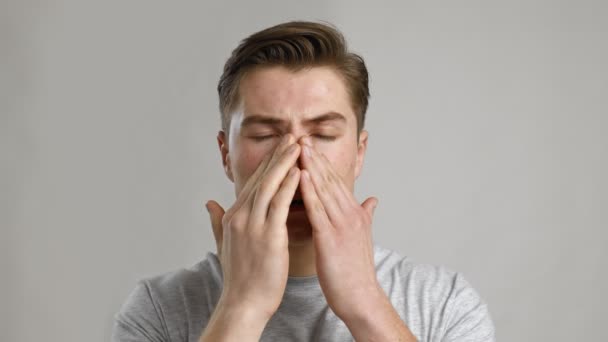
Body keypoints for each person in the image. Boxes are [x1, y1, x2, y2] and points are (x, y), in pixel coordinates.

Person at [112, 21, 496, 342]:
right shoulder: (159, 310)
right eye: (264, 136)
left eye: (325, 135)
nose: (295, 160)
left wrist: (364, 302)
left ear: (359, 152)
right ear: (225, 154)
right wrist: (242, 307)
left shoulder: (444, 303)